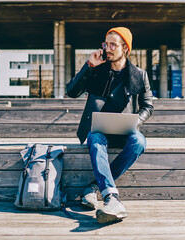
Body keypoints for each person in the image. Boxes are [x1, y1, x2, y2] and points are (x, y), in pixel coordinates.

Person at [66, 27, 154, 224]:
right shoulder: (96, 70)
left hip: (125, 131)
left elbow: (148, 106)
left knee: (139, 141)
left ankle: (94, 187)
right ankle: (111, 198)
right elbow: (71, 92)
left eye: (113, 44)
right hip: (98, 131)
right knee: (95, 138)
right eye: (106, 44)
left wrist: (135, 122)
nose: (108, 48)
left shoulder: (139, 75)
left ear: (126, 49)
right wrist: (89, 65)